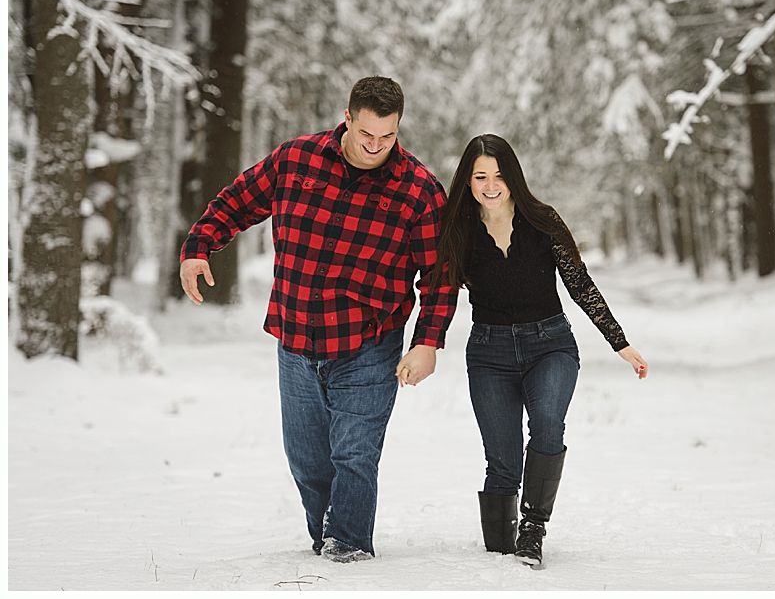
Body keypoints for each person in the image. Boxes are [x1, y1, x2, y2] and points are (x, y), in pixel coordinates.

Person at [179, 76, 457, 563]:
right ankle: (325, 537)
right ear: (347, 118)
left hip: (369, 342)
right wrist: (199, 246)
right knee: (307, 461)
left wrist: (426, 342)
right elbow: (238, 201)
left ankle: (346, 550)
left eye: (387, 137)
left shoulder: (417, 189)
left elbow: (439, 276)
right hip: (296, 334)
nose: (375, 146)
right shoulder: (296, 160)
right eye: (367, 133)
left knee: (354, 455)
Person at [431, 134, 648, 567]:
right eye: (480, 176)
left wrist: (619, 342)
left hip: (550, 345)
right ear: (468, 181)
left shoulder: (543, 221)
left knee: (548, 423)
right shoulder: (457, 230)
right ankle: (499, 544)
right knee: (502, 460)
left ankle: (533, 527)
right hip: (489, 353)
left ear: (513, 177)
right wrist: (425, 343)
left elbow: (580, 283)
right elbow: (438, 290)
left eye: (499, 175)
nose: (490, 185)